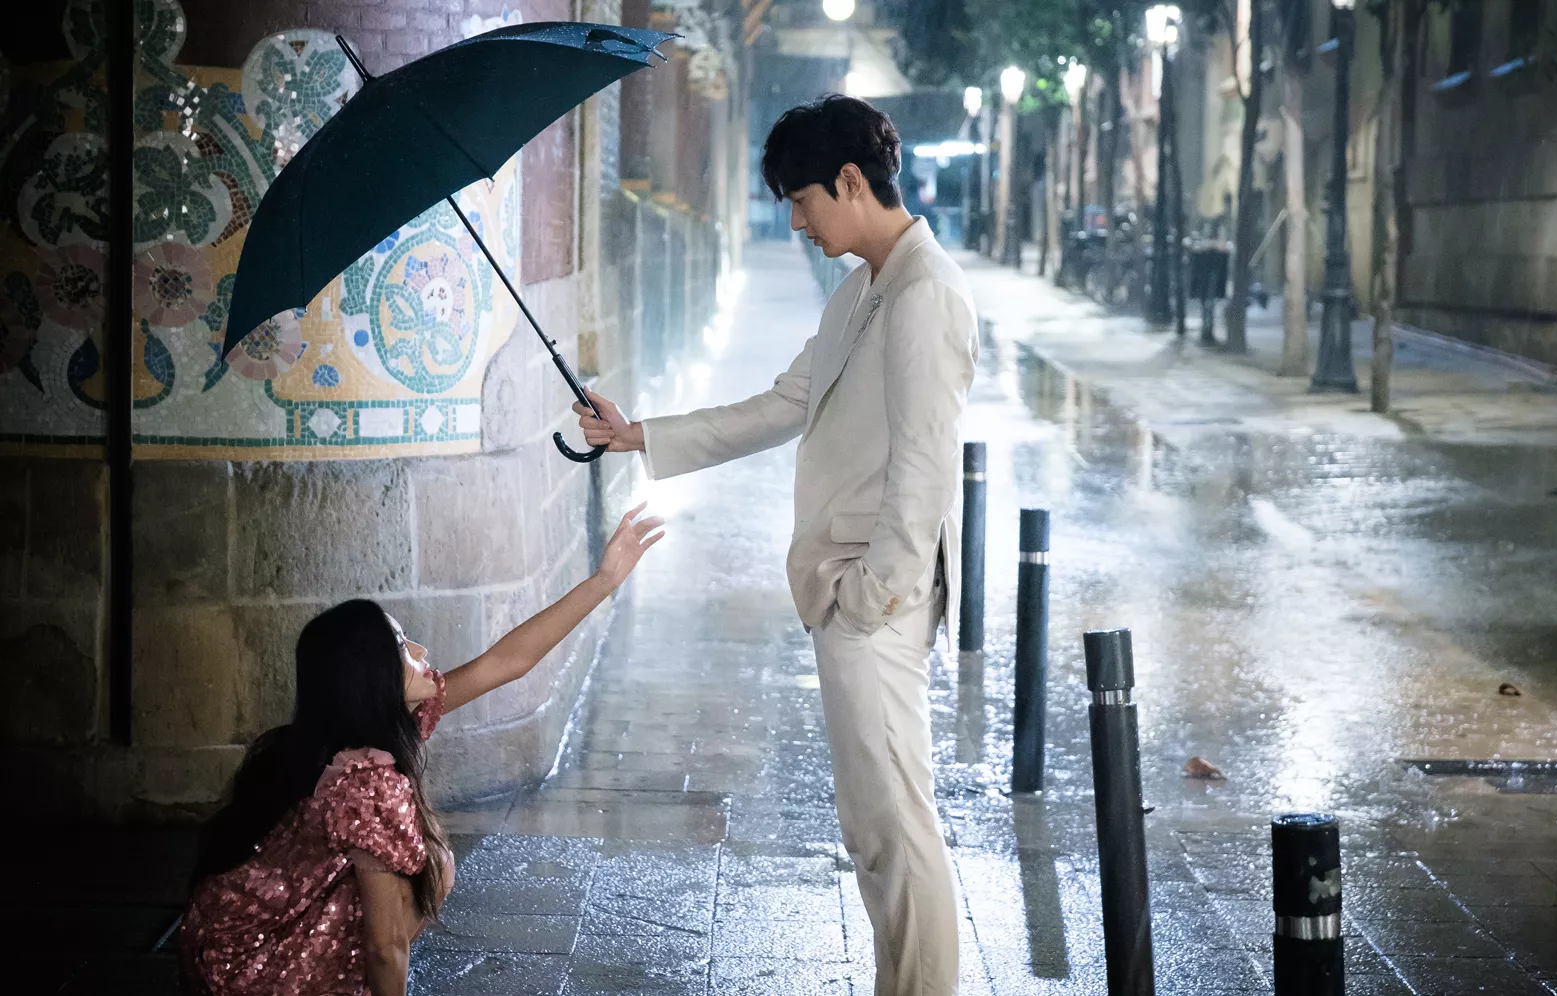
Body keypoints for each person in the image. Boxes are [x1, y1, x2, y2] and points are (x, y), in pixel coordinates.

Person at [575, 95, 978, 996]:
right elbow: (783, 404)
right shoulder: (865, 287)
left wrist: (869, 597)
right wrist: (639, 435)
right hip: (847, 591)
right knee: (874, 829)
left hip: (873, 599)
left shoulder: (925, 292)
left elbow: (925, 469)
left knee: (896, 831)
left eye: (802, 200)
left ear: (850, 181)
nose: (796, 222)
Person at [178, 505, 665, 996]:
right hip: (245, 972)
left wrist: (604, 580)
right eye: (402, 647)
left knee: (428, 865)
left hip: (220, 948)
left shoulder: (350, 735)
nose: (421, 651)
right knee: (426, 875)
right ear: (371, 679)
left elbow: (507, 662)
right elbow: (384, 948)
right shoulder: (367, 786)